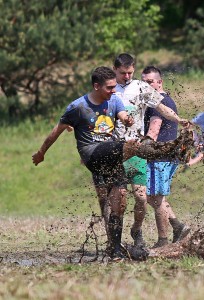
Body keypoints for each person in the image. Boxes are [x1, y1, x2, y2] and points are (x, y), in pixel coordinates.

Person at [32, 66, 191, 261]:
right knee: (131, 145)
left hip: (112, 155)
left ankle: (115, 250)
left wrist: (128, 119)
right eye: (109, 87)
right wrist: (41, 153)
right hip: (92, 153)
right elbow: (57, 130)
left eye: (115, 87)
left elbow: (123, 116)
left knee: (120, 200)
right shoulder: (78, 107)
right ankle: (170, 149)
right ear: (96, 86)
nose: (114, 91)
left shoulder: (114, 100)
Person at [141, 65, 190, 248]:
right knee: (149, 196)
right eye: (143, 83)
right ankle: (178, 226)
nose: (146, 86)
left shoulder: (157, 105)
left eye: (149, 82)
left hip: (159, 157)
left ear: (159, 82)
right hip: (166, 156)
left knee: (157, 198)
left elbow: (153, 133)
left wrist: (136, 149)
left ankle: (163, 240)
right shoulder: (165, 100)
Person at [111, 53, 151, 248]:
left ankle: (137, 228)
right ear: (114, 70)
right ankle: (114, 241)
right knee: (118, 200)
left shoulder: (141, 87)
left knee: (141, 198)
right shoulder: (109, 89)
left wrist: (178, 120)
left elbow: (160, 106)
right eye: (122, 73)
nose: (126, 77)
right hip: (114, 149)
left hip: (136, 149)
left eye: (130, 73)